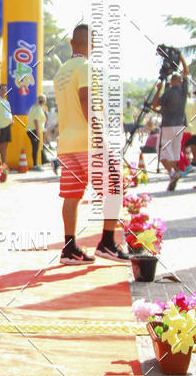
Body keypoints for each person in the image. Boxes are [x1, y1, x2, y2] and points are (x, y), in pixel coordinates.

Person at [53, 24, 128, 265]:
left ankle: (69, 247)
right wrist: (101, 138)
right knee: (115, 186)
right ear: (93, 45)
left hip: (67, 143)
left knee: (72, 196)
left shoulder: (61, 72)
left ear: (72, 44)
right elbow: (86, 101)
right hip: (88, 141)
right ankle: (107, 242)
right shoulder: (87, 67)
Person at [152, 54, 189, 190]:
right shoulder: (184, 91)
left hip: (167, 125)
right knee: (173, 153)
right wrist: (180, 56)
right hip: (180, 125)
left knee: (161, 153)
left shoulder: (168, 91)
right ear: (180, 81)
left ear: (172, 81)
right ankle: (174, 173)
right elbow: (186, 72)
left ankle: (173, 173)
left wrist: (159, 89)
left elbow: (155, 105)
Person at [26, 94, 47, 170]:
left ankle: (36, 164)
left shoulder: (34, 107)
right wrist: (38, 133)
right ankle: (35, 165)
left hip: (30, 129)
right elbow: (36, 121)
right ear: (44, 101)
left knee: (35, 147)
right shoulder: (38, 109)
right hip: (34, 130)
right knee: (35, 148)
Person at [0, 83, 13, 164]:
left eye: (5, 89)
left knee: (5, 147)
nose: (4, 91)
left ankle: (4, 164)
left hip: (7, 126)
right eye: (2, 89)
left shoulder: (6, 102)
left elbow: (8, 113)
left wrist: (11, 120)